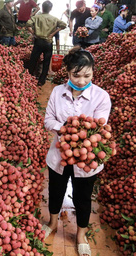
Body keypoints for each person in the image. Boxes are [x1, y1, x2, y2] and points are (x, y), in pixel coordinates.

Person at [43, 47, 112, 256]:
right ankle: (53, 223)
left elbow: (99, 129)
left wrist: (78, 134)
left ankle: (81, 234)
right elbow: (48, 120)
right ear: (67, 72)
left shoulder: (101, 96)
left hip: (86, 160)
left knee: (82, 198)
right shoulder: (57, 92)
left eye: (87, 75)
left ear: (93, 72)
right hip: (59, 156)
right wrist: (64, 128)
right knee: (55, 192)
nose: (81, 80)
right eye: (76, 75)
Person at [26, 0, 67, 86]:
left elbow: (27, 24)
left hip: (38, 41)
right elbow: (64, 25)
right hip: (48, 43)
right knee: (46, 61)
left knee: (33, 59)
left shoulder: (37, 17)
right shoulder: (54, 19)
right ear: (50, 9)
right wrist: (53, 33)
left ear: (42, 8)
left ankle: (29, 77)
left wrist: (33, 33)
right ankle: (42, 80)